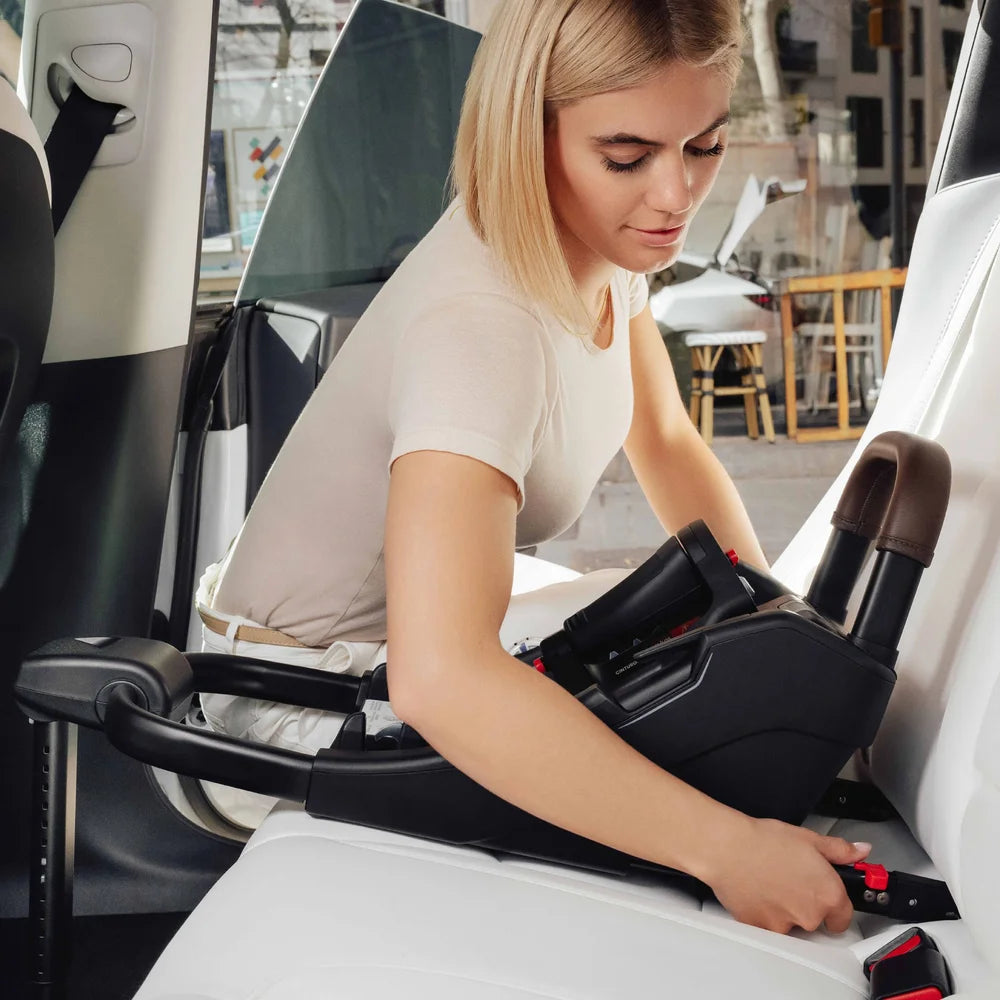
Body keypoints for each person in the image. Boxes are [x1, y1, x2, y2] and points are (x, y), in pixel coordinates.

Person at [200, 0, 872, 935]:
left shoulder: (605, 245)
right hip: (304, 703)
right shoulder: (481, 326)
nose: (676, 194)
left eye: (705, 146)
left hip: (395, 659)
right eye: (627, 156)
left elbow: (666, 440)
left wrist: (783, 635)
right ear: (529, 132)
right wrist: (726, 850)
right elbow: (442, 680)